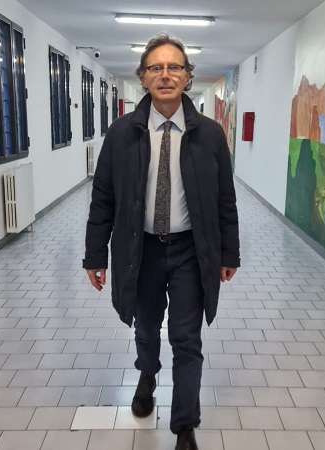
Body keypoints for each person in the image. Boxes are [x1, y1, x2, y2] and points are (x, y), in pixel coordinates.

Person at [83, 32, 240, 450]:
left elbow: (225, 199)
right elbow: (103, 198)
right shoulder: (122, 134)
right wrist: (95, 255)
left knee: (187, 339)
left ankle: (185, 425)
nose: (165, 75)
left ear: (188, 77)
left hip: (191, 251)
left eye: (174, 67)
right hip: (141, 250)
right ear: (143, 77)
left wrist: (229, 252)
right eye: (156, 67)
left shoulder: (210, 135)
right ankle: (147, 375)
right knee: (147, 329)